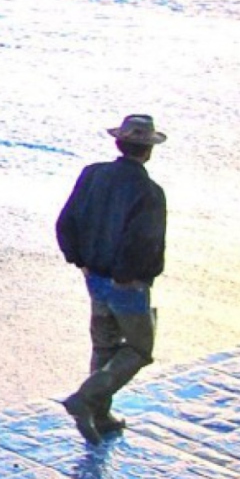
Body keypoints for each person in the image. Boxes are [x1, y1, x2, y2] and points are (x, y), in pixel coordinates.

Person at [54, 113, 168, 444]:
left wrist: (80, 261)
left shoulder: (92, 175)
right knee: (138, 349)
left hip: (94, 276)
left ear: (119, 143)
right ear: (147, 151)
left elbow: (66, 222)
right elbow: (143, 241)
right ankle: (85, 399)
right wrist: (128, 277)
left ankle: (100, 417)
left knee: (104, 345)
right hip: (126, 284)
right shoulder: (149, 192)